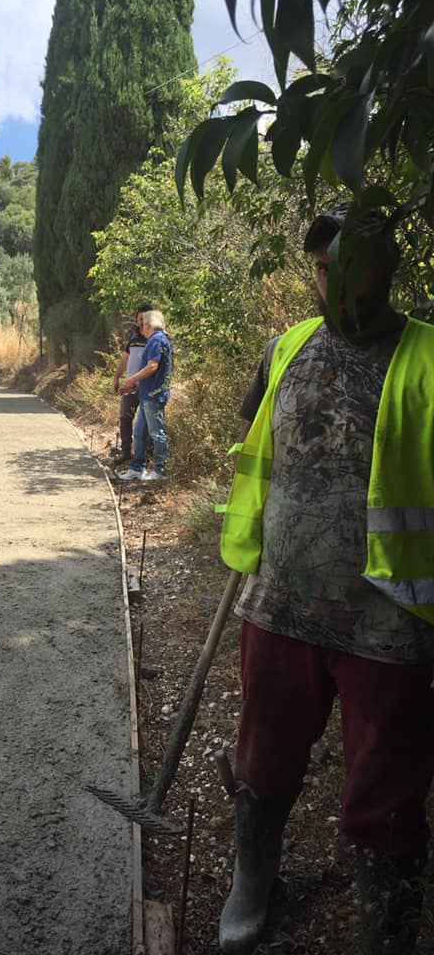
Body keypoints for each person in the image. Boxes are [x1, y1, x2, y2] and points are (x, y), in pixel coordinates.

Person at [217, 202, 434, 954]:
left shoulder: (431, 357)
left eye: (358, 266)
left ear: (391, 268)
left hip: (390, 621)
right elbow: (251, 447)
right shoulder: (284, 348)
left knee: (388, 794)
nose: (340, 283)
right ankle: (253, 879)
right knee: (262, 759)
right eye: (323, 267)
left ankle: (389, 927)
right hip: (280, 604)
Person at [118, 309, 173, 483]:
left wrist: (131, 379)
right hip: (147, 395)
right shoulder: (159, 339)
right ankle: (137, 468)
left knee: (157, 433)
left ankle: (160, 470)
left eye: (143, 324)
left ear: (149, 325)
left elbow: (152, 366)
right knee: (139, 431)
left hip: (153, 396)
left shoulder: (156, 340)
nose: (142, 328)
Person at [111, 305, 149, 466]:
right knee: (125, 417)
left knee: (148, 420)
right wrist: (117, 377)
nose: (141, 322)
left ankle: (149, 455)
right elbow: (125, 358)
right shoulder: (133, 336)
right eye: (139, 318)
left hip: (148, 386)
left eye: (145, 318)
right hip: (129, 386)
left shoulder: (156, 337)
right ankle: (126, 452)